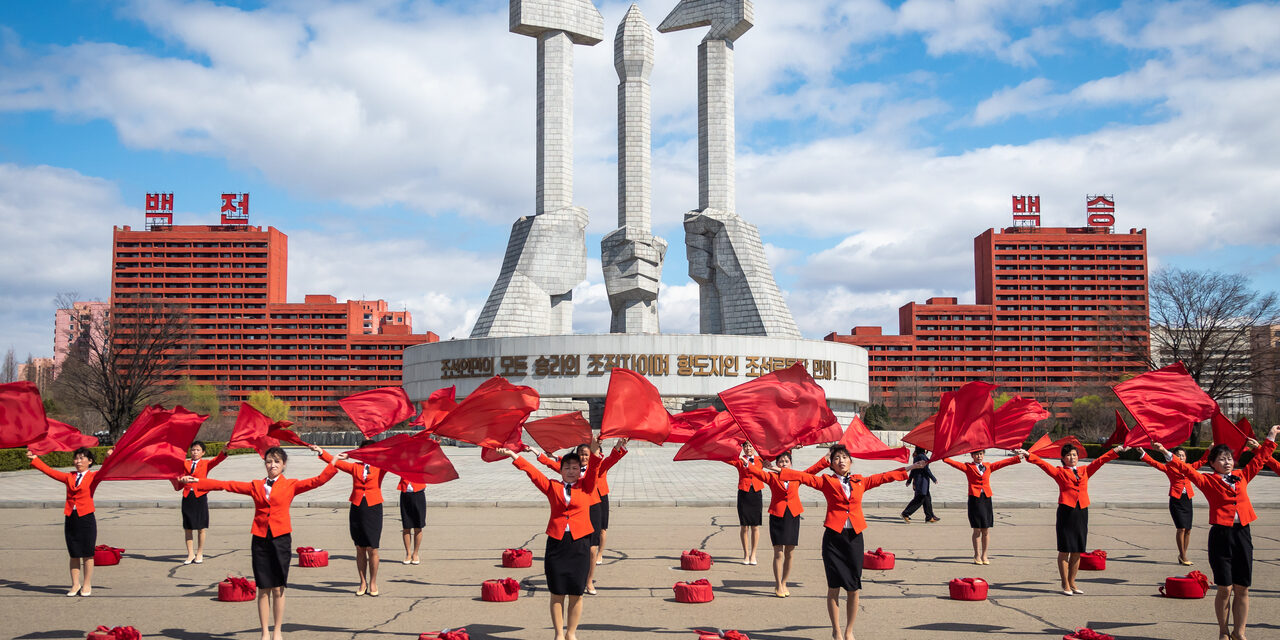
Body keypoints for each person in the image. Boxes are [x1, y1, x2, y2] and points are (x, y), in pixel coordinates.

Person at [181, 445, 338, 640]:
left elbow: (318, 481)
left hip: (281, 539)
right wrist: (199, 481)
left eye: (277, 462)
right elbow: (227, 485)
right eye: (269, 461)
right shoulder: (256, 485)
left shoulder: (291, 485)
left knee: (278, 588)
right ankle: (264, 632)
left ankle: (277, 631)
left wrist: (332, 461)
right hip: (260, 539)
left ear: (284, 464)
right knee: (263, 588)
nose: (272, 465)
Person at [778, 444, 926, 640]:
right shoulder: (827, 481)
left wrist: (911, 467)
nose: (841, 461)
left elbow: (884, 477)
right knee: (833, 587)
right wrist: (777, 470)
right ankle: (837, 631)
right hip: (833, 539)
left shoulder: (860, 481)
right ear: (831, 464)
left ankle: (849, 630)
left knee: (853, 587)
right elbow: (804, 477)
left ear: (851, 461)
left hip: (854, 538)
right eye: (836, 458)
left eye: (844, 457)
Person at [1154, 425, 1278, 640]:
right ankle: (1223, 631)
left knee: (1243, 587)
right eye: (1221, 459)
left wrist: (1271, 436)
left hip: (1243, 534)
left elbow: (1260, 460)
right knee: (1225, 588)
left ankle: (1239, 632)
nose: (1227, 462)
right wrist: (1165, 452)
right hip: (1221, 536)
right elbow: (1186, 470)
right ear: (1212, 463)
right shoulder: (1207, 480)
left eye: (1229, 458)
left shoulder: (1242, 475)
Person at [497, 446, 600, 640]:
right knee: (557, 592)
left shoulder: (586, 486)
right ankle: (559, 634)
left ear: (580, 470)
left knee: (576, 592)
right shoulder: (552, 486)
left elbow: (594, 468)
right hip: (557, 544)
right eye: (567, 468)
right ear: (560, 470)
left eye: (575, 468)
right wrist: (513, 455)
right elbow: (533, 473)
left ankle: (571, 633)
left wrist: (594, 449)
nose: (571, 471)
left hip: (579, 544)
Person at [1016, 443, 1122, 596]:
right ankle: (1065, 583)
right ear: (1063, 458)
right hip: (1066, 512)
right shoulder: (1060, 472)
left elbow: (1100, 461)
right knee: (1065, 550)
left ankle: (1072, 582)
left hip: (1081, 511)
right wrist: (1028, 455)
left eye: (1074, 455)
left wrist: (1115, 451)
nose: (1072, 458)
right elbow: (1043, 464)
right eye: (1068, 455)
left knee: (1078, 550)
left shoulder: (1084, 470)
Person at [27, 446, 109, 596]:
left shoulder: (93, 476)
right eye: (76, 458)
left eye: (82, 458)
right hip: (71, 517)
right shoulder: (69, 476)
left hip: (86, 518)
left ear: (90, 461)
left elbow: (106, 471)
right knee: (74, 553)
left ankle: (87, 584)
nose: (78, 461)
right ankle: (75, 584)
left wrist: (108, 457)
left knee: (87, 553)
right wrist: (35, 459)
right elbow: (50, 472)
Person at [321, 442, 388, 596]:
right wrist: (320, 452)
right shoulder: (355, 467)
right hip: (357, 507)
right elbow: (335, 462)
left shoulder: (381, 467)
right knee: (360, 547)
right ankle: (363, 582)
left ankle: (373, 582)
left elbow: (396, 459)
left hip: (373, 508)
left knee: (372, 548)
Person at [941, 449, 1021, 564]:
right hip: (975, 499)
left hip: (986, 499)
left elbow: (1003, 463)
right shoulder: (968, 467)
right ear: (972, 456)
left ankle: (984, 555)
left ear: (983, 455)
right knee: (977, 529)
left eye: (981, 454)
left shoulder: (988, 466)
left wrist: (1017, 458)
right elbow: (954, 463)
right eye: (976, 454)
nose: (979, 456)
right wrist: (943, 456)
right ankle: (977, 555)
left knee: (986, 529)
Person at [1139, 446, 1209, 566]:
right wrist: (1142, 452)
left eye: (1183, 455)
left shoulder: (1190, 467)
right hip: (1176, 500)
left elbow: (1202, 461)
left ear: (1186, 457)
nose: (1181, 457)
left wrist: (1210, 449)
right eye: (1178, 455)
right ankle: (1183, 555)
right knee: (1181, 528)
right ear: (1174, 457)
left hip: (1188, 500)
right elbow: (1154, 463)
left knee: (1188, 530)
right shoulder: (1169, 468)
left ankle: (1183, 555)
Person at [751, 450, 804, 597]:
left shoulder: (796, 477)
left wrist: (826, 459)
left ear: (791, 464)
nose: (784, 464)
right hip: (777, 516)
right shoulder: (772, 477)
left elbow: (813, 471)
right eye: (781, 461)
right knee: (778, 552)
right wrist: (748, 463)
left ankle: (785, 582)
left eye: (786, 461)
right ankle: (778, 584)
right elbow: (757, 472)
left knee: (790, 552)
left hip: (793, 515)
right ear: (776, 463)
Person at [585, 436, 627, 594]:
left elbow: (612, 459)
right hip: (586, 498)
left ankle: (600, 554)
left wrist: (618, 446)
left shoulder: (601, 466)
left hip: (601, 496)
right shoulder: (582, 468)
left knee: (602, 528)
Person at [174, 440, 227, 564]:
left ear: (203, 452)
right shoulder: (185, 463)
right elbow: (177, 476)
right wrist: (181, 479)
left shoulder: (206, 463)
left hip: (200, 496)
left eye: (198, 450)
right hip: (187, 496)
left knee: (201, 527)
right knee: (188, 527)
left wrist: (224, 450)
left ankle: (199, 553)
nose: (195, 452)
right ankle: (190, 554)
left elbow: (217, 460)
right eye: (193, 450)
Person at [724, 441, 764, 565]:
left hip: (756, 493)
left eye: (750, 445)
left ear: (754, 447)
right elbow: (726, 458)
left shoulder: (760, 460)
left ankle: (753, 554)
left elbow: (776, 452)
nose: (748, 448)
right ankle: (746, 554)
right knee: (744, 526)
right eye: (745, 446)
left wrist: (793, 446)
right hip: (744, 493)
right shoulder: (739, 460)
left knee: (755, 526)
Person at [900, 447, 939, 523]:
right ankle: (905, 513)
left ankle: (929, 517)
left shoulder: (918, 456)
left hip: (920, 480)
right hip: (922, 481)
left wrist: (909, 480)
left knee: (927, 499)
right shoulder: (921, 456)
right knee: (919, 499)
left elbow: (913, 470)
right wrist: (933, 478)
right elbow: (926, 469)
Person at [397, 475, 426, 565]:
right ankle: (408, 553)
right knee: (406, 526)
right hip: (405, 493)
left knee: (418, 526)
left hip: (418, 493)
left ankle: (415, 553)